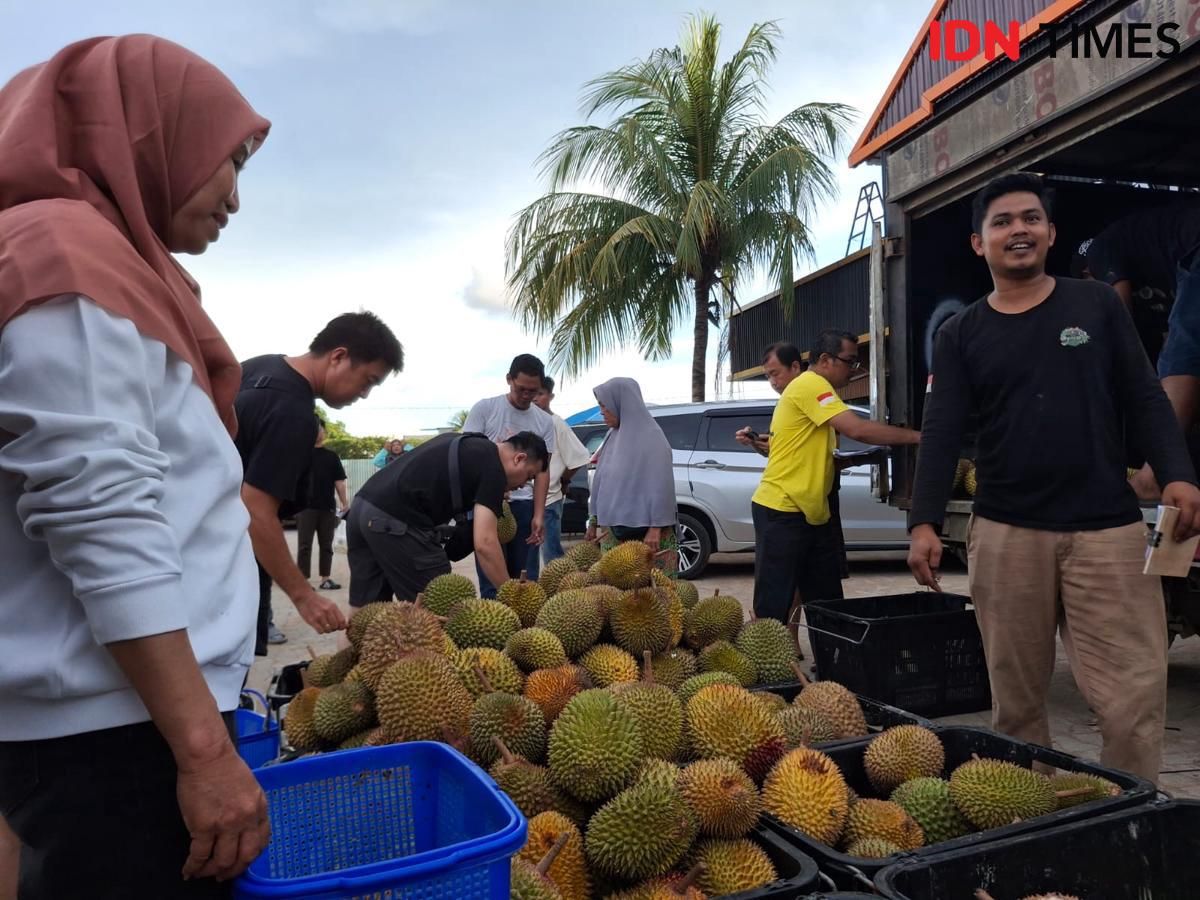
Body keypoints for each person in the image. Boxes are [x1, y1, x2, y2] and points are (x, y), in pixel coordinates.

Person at [0, 35, 271, 896]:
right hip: (117, 734)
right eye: (230, 159)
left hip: (126, 721)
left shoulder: (108, 266)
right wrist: (204, 751)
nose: (236, 196)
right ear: (152, 133)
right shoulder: (61, 254)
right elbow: (100, 514)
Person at [908, 171, 1200, 784]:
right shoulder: (962, 333)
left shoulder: (1095, 305)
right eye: (1002, 222)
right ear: (979, 243)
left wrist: (1177, 473)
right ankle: (1033, 816)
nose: (1019, 230)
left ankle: (1127, 812)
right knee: (1016, 706)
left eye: (1030, 218)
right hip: (1007, 534)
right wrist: (924, 522)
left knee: (1132, 701)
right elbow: (941, 431)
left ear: (1051, 233)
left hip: (1109, 533)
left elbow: (1144, 394)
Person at [236, 311, 402, 656]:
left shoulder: (258, 367)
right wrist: (304, 597)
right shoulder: (293, 411)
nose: (365, 394)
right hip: (225, 560)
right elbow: (255, 510)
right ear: (338, 356)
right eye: (367, 380)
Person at [739, 335, 920, 625]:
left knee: (828, 604)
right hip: (782, 509)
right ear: (825, 360)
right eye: (850, 361)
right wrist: (920, 437)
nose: (853, 369)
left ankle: (831, 651)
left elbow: (815, 455)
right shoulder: (811, 384)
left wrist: (860, 459)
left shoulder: (814, 395)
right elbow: (857, 430)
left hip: (812, 513)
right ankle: (768, 654)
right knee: (773, 609)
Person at [1073, 206, 1200, 497]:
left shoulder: (1099, 250)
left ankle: (1154, 476)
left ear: (1086, 274)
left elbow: (1119, 320)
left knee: (1181, 356)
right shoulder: (1153, 258)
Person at [347, 432, 550, 606]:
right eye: (529, 476)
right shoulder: (493, 468)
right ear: (519, 458)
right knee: (442, 609)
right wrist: (513, 597)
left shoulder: (467, 442)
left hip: (361, 507)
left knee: (365, 613)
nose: (523, 485)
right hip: (396, 520)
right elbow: (485, 543)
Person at [463, 354, 556, 595]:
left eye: (533, 391)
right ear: (509, 379)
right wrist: (492, 489)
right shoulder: (485, 409)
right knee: (490, 572)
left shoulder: (545, 422)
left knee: (526, 575)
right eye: (521, 388)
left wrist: (539, 514)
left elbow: (542, 472)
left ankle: (524, 616)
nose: (526, 395)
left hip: (524, 504)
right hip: (485, 502)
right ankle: (496, 614)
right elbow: (468, 455)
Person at [585, 378, 679, 574]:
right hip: (614, 534)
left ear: (622, 403)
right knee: (614, 588)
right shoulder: (611, 437)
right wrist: (593, 522)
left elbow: (662, 486)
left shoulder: (653, 437)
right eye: (600, 405)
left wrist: (655, 528)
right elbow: (602, 482)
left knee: (657, 589)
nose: (602, 411)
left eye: (605, 405)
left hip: (650, 536)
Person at [534, 376, 592, 565]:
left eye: (540, 394)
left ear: (550, 396)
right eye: (533, 393)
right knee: (531, 555)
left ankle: (559, 583)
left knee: (552, 556)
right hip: (529, 500)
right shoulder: (529, 422)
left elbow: (579, 457)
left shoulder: (556, 423)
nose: (535, 398)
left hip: (549, 500)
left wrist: (564, 480)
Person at [296, 421, 349, 591]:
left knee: (326, 545)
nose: (318, 432)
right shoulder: (299, 455)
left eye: (320, 429)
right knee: (304, 545)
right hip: (304, 507)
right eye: (314, 428)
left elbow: (339, 482)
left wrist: (344, 502)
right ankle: (303, 581)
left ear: (324, 433)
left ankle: (326, 579)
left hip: (327, 507)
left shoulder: (331, 456)